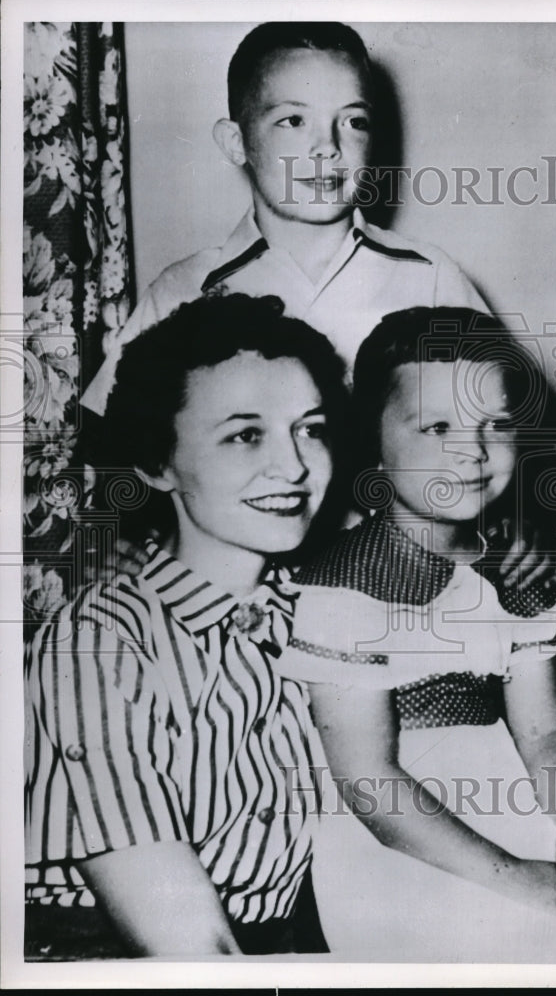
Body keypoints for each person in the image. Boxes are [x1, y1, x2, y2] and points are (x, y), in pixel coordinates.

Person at [81, 20, 556, 598]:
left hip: (389, 589)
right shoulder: (186, 288)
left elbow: (500, 421)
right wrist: (120, 536)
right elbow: (112, 438)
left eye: (352, 121)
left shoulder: (429, 276)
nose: (326, 147)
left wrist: (515, 529)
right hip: (238, 594)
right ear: (235, 141)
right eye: (292, 120)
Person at [276, 307, 556, 960]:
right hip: (404, 849)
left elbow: (544, 734)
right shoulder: (346, 586)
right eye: (437, 427)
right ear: (371, 440)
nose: (472, 450)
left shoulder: (514, 574)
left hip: (513, 809)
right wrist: (516, 878)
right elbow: (369, 781)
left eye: (496, 424)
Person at [24, 293, 351, 958]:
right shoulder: (98, 643)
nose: (293, 467)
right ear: (157, 462)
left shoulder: (319, 609)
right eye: (245, 435)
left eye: (310, 429)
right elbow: (187, 947)